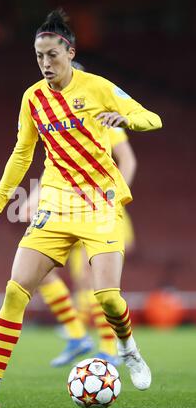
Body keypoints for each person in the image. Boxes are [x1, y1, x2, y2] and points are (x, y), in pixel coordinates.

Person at [0, 9, 162, 408]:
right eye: (38, 56)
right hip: (55, 202)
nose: (45, 63)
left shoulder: (97, 87)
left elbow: (151, 116)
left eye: (52, 55)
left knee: (107, 298)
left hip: (100, 202)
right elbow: (20, 156)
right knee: (15, 292)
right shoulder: (33, 98)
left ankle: (127, 346)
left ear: (69, 51)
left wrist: (129, 120)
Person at [19, 123, 136, 368]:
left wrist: (112, 197)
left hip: (100, 212)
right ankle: (77, 334)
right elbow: (55, 168)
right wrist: (32, 198)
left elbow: (128, 160)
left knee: (91, 278)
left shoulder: (101, 120)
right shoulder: (64, 122)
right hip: (64, 211)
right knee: (40, 274)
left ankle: (108, 347)